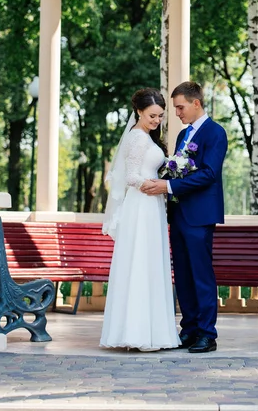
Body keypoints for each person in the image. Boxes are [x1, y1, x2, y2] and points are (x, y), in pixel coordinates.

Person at [141, 81, 228, 353]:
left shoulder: (215, 133)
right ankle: (189, 329)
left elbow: (208, 173)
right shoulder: (182, 136)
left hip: (200, 215)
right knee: (183, 275)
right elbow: (178, 170)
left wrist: (166, 187)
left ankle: (207, 333)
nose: (176, 113)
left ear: (196, 103)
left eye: (180, 107)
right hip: (178, 213)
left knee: (201, 275)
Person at [100, 88, 180, 351]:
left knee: (150, 264)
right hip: (142, 203)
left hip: (152, 203)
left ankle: (152, 332)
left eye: (160, 116)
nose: (157, 120)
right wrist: (156, 184)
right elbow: (130, 176)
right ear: (138, 112)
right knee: (140, 263)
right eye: (152, 116)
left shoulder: (147, 137)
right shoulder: (136, 138)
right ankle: (137, 332)